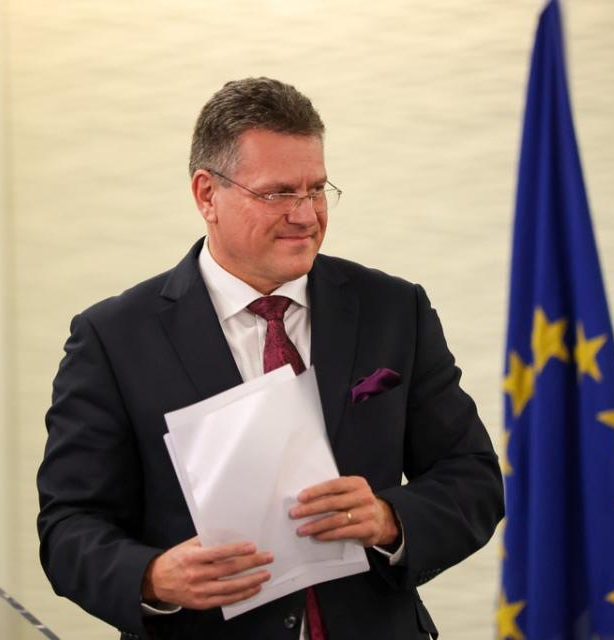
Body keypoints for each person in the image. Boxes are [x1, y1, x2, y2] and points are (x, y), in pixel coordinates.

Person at [37, 77, 504, 640]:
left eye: (317, 189)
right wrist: (153, 578)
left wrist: (388, 518)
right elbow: (69, 527)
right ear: (207, 194)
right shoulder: (112, 338)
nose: (307, 215)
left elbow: (473, 478)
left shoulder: (394, 309)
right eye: (279, 193)